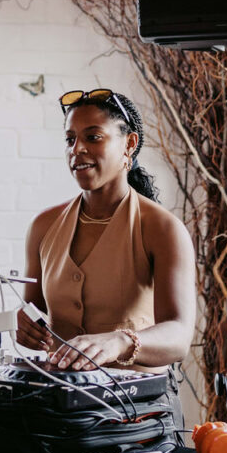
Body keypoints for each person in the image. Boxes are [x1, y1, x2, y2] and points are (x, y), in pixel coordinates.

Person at [15, 88, 195, 423]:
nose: (77, 149)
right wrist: (25, 326)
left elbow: (180, 336)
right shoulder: (43, 226)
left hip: (140, 411)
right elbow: (32, 311)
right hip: (63, 405)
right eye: (70, 139)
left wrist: (121, 341)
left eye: (93, 137)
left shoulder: (163, 229)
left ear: (128, 145)